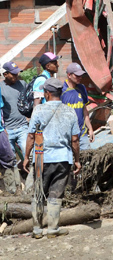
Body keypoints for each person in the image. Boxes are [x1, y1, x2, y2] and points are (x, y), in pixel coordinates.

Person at [22, 78, 80, 238]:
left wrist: (26, 157)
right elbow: (75, 140)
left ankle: (37, 230)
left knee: (39, 193)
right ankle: (53, 229)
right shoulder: (70, 111)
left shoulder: (39, 110)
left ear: (47, 93)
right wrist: (77, 160)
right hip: (63, 159)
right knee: (56, 193)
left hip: (42, 158)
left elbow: (31, 137)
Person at [1, 61, 28, 192]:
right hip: (7, 130)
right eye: (13, 74)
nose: (16, 76)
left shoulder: (23, 85)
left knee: (31, 154)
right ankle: (15, 189)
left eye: (17, 73)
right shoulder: (1, 88)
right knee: (10, 160)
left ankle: (30, 187)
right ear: (5, 74)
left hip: (23, 127)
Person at [61, 63, 94, 151]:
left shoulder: (82, 88)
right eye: (77, 75)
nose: (80, 78)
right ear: (69, 75)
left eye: (81, 75)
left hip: (82, 132)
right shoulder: (61, 91)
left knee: (87, 157)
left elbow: (84, 110)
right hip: (67, 134)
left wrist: (90, 129)